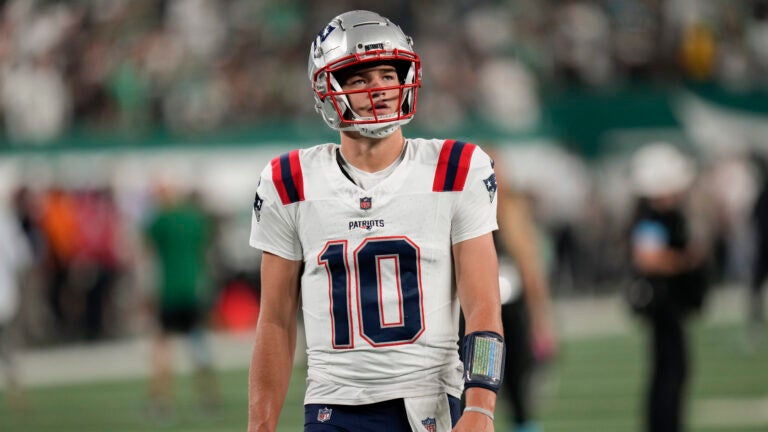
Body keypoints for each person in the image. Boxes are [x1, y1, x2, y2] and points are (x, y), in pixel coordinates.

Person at [248, 10, 505, 432]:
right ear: (327, 89)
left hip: (431, 403)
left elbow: (483, 308)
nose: (380, 90)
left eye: (388, 74)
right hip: (332, 407)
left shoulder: (457, 169)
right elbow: (275, 318)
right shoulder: (288, 181)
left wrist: (481, 406)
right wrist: (260, 425)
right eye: (360, 79)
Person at [626, 142, 708, 432]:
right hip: (664, 306)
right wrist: (686, 261)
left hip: (671, 305)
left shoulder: (658, 215)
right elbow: (648, 259)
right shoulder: (652, 216)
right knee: (670, 370)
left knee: (673, 369)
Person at [492, 152, 558, 432]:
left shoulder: (513, 213)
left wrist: (541, 322)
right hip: (474, 316)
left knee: (519, 388)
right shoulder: (463, 211)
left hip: (511, 313)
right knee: (474, 387)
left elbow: (531, 274)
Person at [143, 183, 219, 416]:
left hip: (168, 290)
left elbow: (147, 250)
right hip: (193, 287)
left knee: (163, 346)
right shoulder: (194, 219)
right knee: (198, 344)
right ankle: (208, 397)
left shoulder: (160, 220)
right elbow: (205, 248)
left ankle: (162, 401)